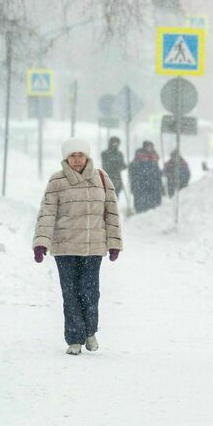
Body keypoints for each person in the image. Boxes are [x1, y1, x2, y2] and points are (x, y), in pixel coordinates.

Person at [32, 138, 122, 355]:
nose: (77, 159)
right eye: (73, 155)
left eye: (81, 154)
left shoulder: (101, 178)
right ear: (66, 158)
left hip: (93, 248)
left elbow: (112, 213)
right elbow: (47, 214)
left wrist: (114, 243)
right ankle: (74, 338)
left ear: (88, 156)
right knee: (70, 293)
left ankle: (90, 332)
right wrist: (41, 244)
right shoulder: (57, 181)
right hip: (65, 248)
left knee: (90, 292)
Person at [128, 140, 162, 213]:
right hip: (141, 184)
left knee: (152, 202)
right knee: (142, 202)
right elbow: (133, 172)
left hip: (152, 184)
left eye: (151, 147)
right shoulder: (138, 159)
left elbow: (157, 172)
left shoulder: (154, 158)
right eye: (148, 146)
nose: (149, 148)